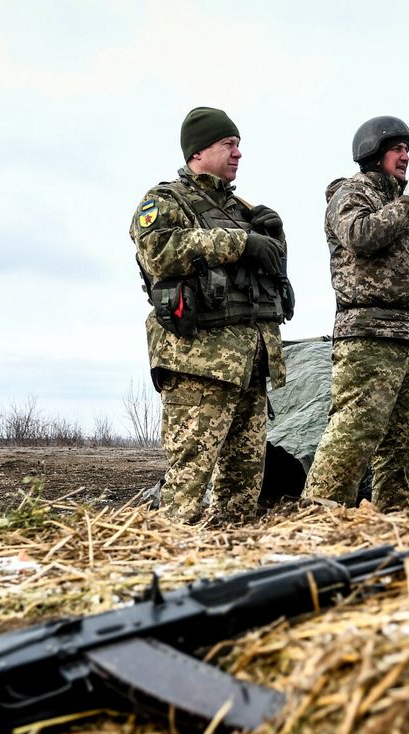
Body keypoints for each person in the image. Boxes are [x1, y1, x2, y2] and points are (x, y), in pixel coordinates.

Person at [130, 107, 293, 523]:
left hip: (250, 365)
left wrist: (274, 237)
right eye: (229, 144)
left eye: (239, 145)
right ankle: (169, 561)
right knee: (187, 482)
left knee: (243, 488)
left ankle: (231, 556)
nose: (238, 153)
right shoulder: (165, 200)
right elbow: (159, 250)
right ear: (199, 151)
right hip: (199, 364)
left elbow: (271, 274)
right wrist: (241, 242)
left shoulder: (242, 208)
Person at [303, 116, 409, 511]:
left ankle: (394, 509)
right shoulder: (351, 193)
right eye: (397, 149)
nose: (405, 156)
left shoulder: (406, 212)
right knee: (355, 430)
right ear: (373, 153)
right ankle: (318, 513)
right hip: (369, 334)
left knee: (401, 438)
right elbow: (360, 236)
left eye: (406, 150)